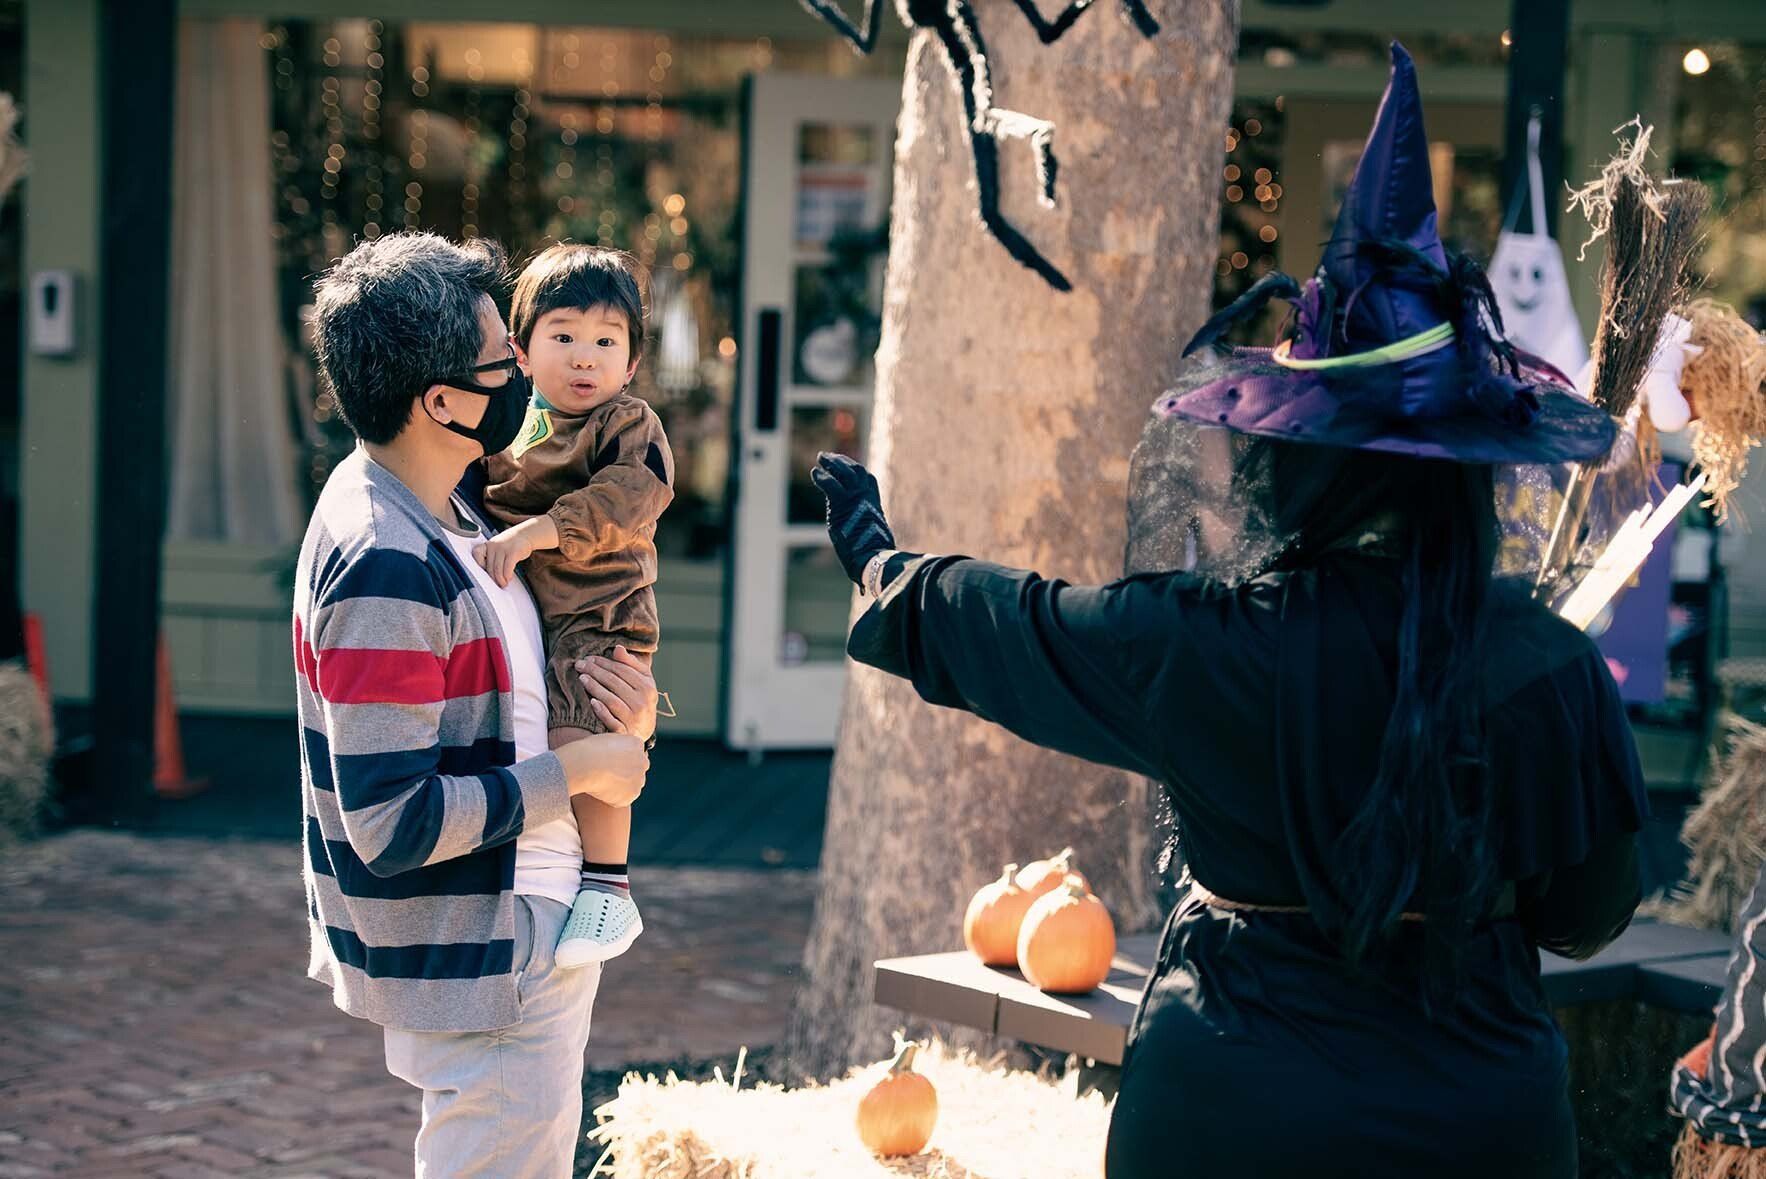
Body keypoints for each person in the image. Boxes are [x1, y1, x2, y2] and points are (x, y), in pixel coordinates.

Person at [814, 45, 1647, 1179]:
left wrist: (886, 571)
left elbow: (1018, 624)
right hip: (1477, 1125)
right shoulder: (1545, 667)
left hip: (1233, 1116)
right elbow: (1586, 911)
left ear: (1295, 460)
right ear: (1464, 469)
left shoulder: (1199, 642)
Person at [295, 231, 658, 1176]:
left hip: (519, 928)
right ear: (443, 400)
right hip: (494, 951)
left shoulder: (452, 508)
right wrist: (580, 769)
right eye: (507, 361)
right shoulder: (384, 555)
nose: (529, 380)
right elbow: (392, 820)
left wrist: (619, 719)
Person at [474, 244, 674, 967]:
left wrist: (542, 530)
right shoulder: (511, 425)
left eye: (605, 340)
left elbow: (632, 493)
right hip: (535, 611)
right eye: (563, 335)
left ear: (629, 363)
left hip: (601, 615)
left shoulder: (626, 424)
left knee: (590, 736)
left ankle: (608, 885)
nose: (584, 356)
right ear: (521, 350)